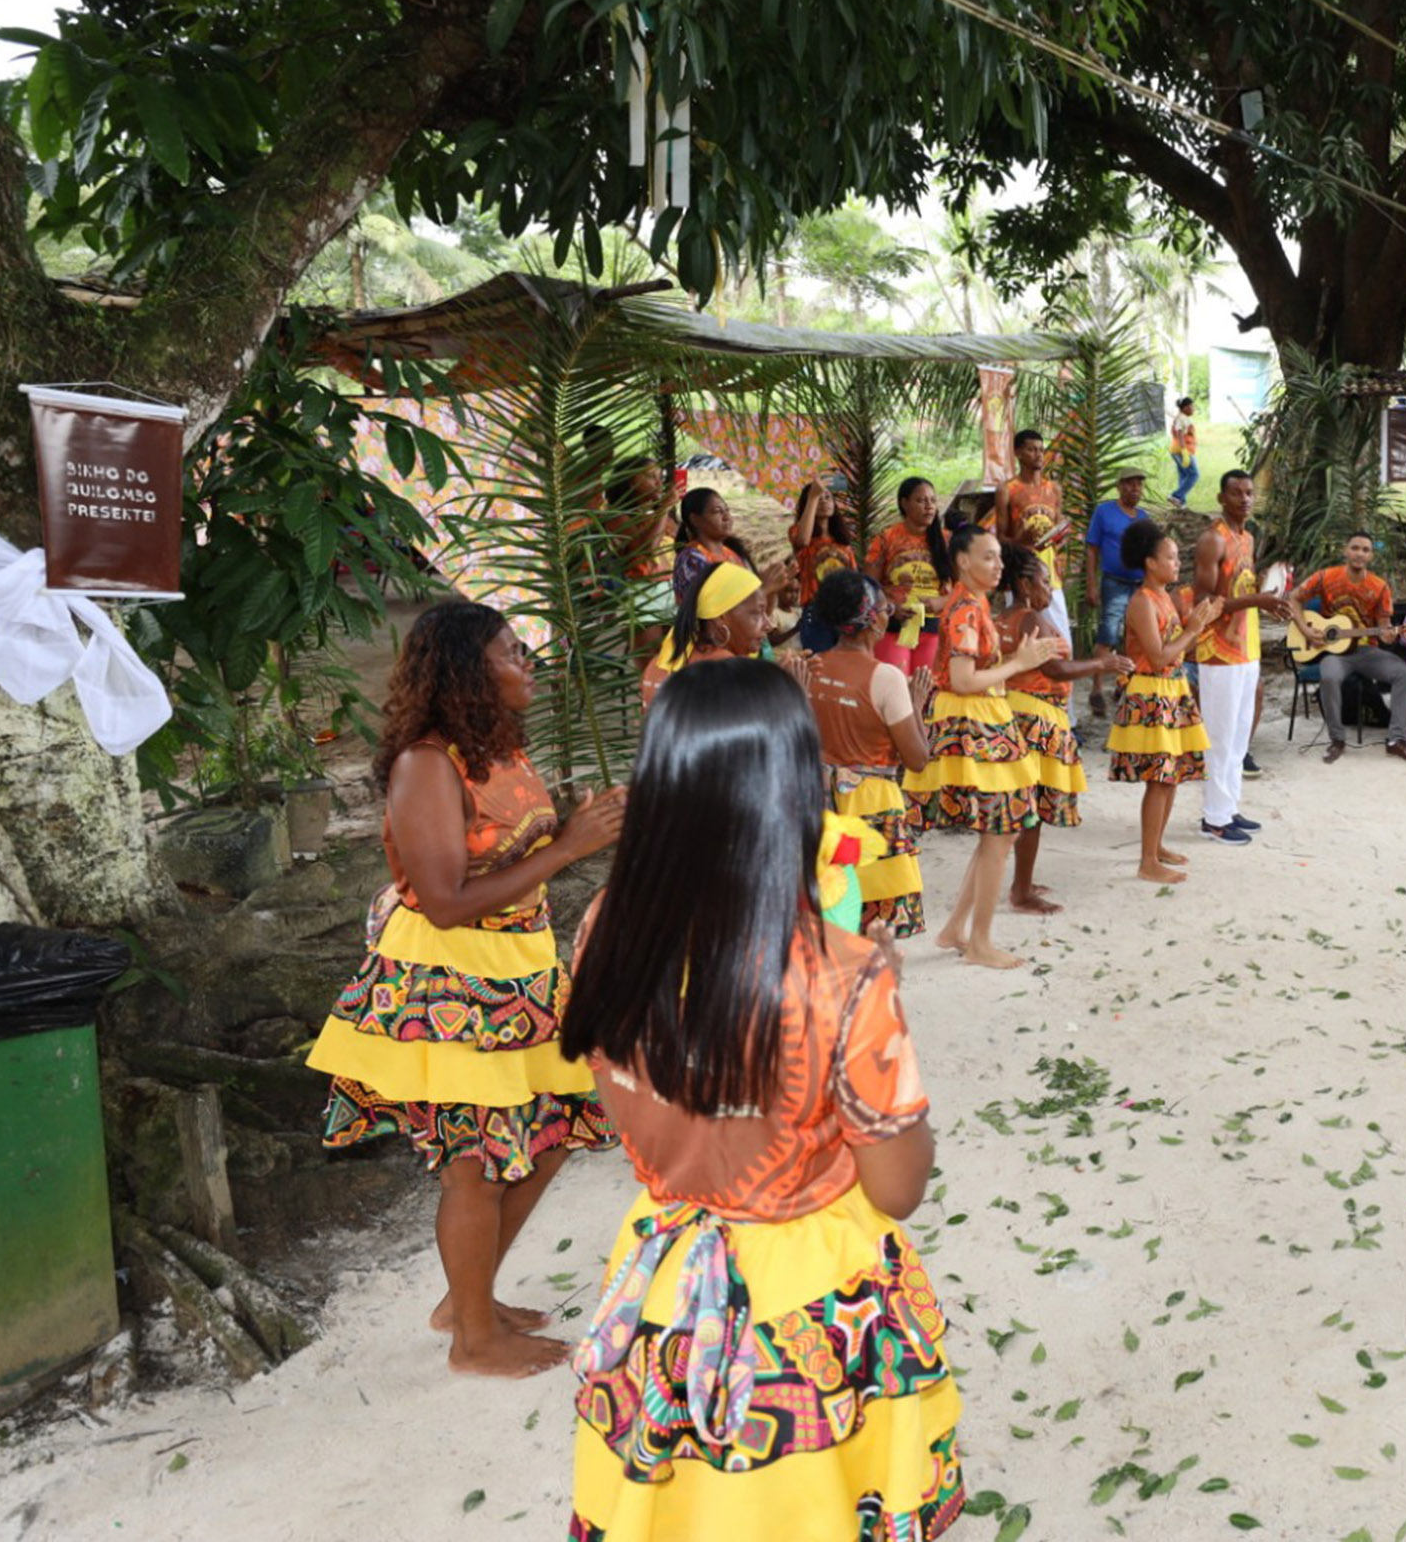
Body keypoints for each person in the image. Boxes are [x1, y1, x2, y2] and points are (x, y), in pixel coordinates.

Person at [560, 658, 963, 1539]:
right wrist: (882, 1019)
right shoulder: (839, 972)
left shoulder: (601, 932)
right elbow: (897, 1187)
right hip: (805, 1300)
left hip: (662, 1281)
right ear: (792, 783)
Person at [306, 601, 624, 1377]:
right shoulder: (426, 762)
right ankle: (473, 1341)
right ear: (466, 670)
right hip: (446, 985)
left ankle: (467, 1297)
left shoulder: (499, 749)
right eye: (513, 652)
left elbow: (505, 852)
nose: (529, 664)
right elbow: (444, 900)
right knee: (474, 1164)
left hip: (518, 971)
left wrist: (573, 831)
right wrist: (571, 848)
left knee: (560, 1129)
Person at [902, 526, 1065, 970]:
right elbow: (963, 679)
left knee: (1001, 831)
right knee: (999, 832)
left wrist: (1017, 664)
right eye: (987, 558)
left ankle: (958, 929)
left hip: (984, 719)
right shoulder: (967, 609)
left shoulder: (972, 603)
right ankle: (979, 943)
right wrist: (1019, 664)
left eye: (999, 558)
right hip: (972, 722)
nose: (997, 566)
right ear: (961, 562)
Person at [997, 544, 1133, 911]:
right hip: (1037, 715)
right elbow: (1054, 669)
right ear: (1024, 584)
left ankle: (1021, 882)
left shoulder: (1004, 617)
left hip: (1014, 710)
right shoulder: (1032, 619)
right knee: (1032, 810)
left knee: (1023, 806)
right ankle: (1020, 891)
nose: (1049, 589)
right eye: (1044, 581)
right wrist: (1100, 664)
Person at [807, 569, 934, 938]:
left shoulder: (811, 667)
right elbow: (917, 759)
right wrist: (917, 705)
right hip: (872, 809)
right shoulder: (887, 677)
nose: (888, 612)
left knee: (831, 919)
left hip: (820, 803)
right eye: (884, 607)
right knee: (876, 928)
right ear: (870, 620)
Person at [1109, 518, 1221, 884]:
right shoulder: (1142, 602)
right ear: (1150, 563)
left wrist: (1197, 625)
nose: (1177, 563)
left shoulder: (1166, 599)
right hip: (1151, 692)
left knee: (1170, 776)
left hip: (1172, 690)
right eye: (1170, 557)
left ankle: (1156, 847)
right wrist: (1192, 630)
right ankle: (1147, 861)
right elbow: (1157, 657)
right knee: (1158, 778)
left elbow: (1176, 648)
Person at [1192, 469, 1286, 842]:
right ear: (1221, 498)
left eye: (1249, 493)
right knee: (1220, 735)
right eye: (1236, 493)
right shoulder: (1212, 540)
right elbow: (1202, 600)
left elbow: (1242, 589)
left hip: (1246, 649)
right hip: (1218, 653)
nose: (1245, 499)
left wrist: (1270, 592)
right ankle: (1213, 820)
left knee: (1238, 736)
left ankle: (1227, 807)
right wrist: (1256, 599)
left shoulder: (1246, 537)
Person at [1291, 531, 1406, 764]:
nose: (1359, 553)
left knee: (1402, 673)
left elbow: (1384, 629)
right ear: (1345, 550)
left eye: (1365, 550)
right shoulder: (1326, 577)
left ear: (1371, 556)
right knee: (1330, 677)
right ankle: (1337, 740)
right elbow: (1293, 598)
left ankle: (1396, 740)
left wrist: (1390, 635)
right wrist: (1305, 629)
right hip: (1333, 652)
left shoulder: (1379, 587)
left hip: (1366, 651)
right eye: (1355, 548)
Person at [639, 560, 771, 708]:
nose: (769, 625)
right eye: (757, 614)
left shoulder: (658, 664)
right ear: (721, 618)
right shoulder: (730, 673)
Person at [866, 477, 954, 680]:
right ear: (904, 503)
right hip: (895, 628)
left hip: (934, 629)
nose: (929, 506)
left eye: (932, 501)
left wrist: (942, 601)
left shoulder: (948, 541)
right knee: (895, 688)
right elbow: (869, 587)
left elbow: (965, 586)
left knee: (929, 691)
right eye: (921, 501)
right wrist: (890, 607)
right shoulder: (885, 539)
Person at [995, 428, 1074, 651]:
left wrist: (1061, 538)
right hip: (1020, 574)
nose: (1038, 455)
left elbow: (1059, 528)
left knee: (1061, 639)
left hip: (1050, 575)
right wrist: (1020, 539)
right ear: (1018, 453)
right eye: (1031, 450)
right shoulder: (1007, 490)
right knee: (1022, 635)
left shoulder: (1053, 489)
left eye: (1041, 449)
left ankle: (1060, 679)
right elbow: (1000, 538)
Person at [1083, 470, 1153, 712]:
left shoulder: (1144, 518)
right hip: (1114, 582)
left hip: (1139, 585)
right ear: (1119, 487)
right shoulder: (1104, 512)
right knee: (1108, 634)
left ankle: (1124, 684)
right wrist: (1091, 584)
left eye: (1138, 485)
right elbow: (1092, 549)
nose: (1135, 489)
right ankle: (1096, 688)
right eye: (1130, 485)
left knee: (1134, 636)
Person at [789, 479, 859, 653]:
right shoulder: (799, 534)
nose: (824, 501)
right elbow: (803, 540)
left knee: (843, 670)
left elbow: (854, 578)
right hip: (817, 610)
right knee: (819, 666)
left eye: (828, 497)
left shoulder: (843, 543)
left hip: (844, 611)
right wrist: (813, 496)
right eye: (819, 498)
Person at [668, 486, 755, 604]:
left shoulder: (731, 554)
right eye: (717, 511)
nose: (727, 517)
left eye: (727, 510)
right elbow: (713, 608)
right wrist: (765, 589)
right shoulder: (691, 559)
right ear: (695, 520)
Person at [1168, 396, 1201, 505]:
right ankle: (1176, 495)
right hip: (1182, 450)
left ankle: (1180, 501)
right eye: (1191, 406)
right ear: (1185, 408)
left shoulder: (1182, 417)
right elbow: (1180, 433)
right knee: (1194, 474)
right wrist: (1184, 451)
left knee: (1184, 475)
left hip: (1176, 449)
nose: (1193, 408)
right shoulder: (1182, 418)